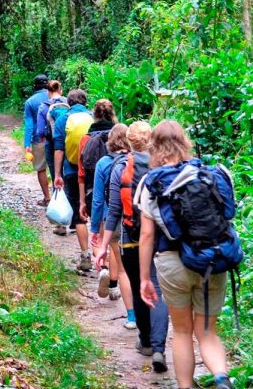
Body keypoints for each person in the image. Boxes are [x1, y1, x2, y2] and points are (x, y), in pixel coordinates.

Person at [136, 121, 234, 389]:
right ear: (184, 142)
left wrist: (145, 278)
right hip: (212, 259)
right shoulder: (205, 174)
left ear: (153, 147)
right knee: (207, 332)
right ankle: (222, 378)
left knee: (181, 331)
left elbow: (146, 236)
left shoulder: (151, 182)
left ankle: (185, 386)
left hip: (172, 263)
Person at [94, 121, 169, 373]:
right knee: (157, 288)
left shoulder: (121, 167)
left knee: (139, 289)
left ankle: (146, 342)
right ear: (150, 139)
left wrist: (103, 245)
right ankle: (159, 348)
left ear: (129, 141)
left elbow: (114, 209)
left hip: (130, 238)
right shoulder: (163, 165)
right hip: (159, 238)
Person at [88, 123, 137, 332]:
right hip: (139, 221)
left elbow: (98, 199)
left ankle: (132, 316)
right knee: (144, 269)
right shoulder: (139, 161)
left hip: (114, 220)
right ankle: (150, 315)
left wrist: (94, 228)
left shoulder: (104, 163)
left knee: (124, 267)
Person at [52, 89, 93, 270]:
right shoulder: (94, 118)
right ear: (85, 102)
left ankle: (85, 256)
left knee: (79, 215)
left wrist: (57, 174)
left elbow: (59, 149)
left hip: (72, 171)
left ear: (68, 103)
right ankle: (105, 260)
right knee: (99, 215)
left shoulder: (63, 120)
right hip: (94, 172)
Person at [22, 74, 51, 206]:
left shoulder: (30, 102)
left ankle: (47, 198)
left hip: (38, 139)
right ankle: (61, 198)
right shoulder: (56, 97)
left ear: (35, 86)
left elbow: (29, 125)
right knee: (58, 169)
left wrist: (27, 144)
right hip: (57, 139)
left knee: (41, 169)